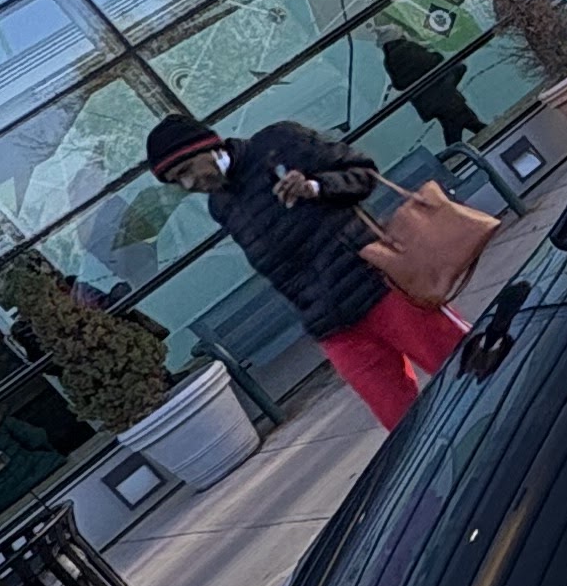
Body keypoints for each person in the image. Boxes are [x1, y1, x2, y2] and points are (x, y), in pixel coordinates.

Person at [142, 108, 465, 427]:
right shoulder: (221, 206)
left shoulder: (277, 143)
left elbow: (364, 174)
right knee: (402, 424)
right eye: (177, 181)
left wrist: (315, 187)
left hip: (380, 288)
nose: (188, 183)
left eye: (186, 169)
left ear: (206, 146)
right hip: (332, 327)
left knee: (468, 368)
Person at [379, 22, 477, 154]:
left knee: (456, 126)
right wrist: (433, 53)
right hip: (444, 95)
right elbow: (434, 61)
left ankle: (454, 155)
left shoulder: (388, 61)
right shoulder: (408, 48)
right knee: (463, 123)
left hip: (429, 103)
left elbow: (398, 85)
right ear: (398, 36)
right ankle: (454, 156)